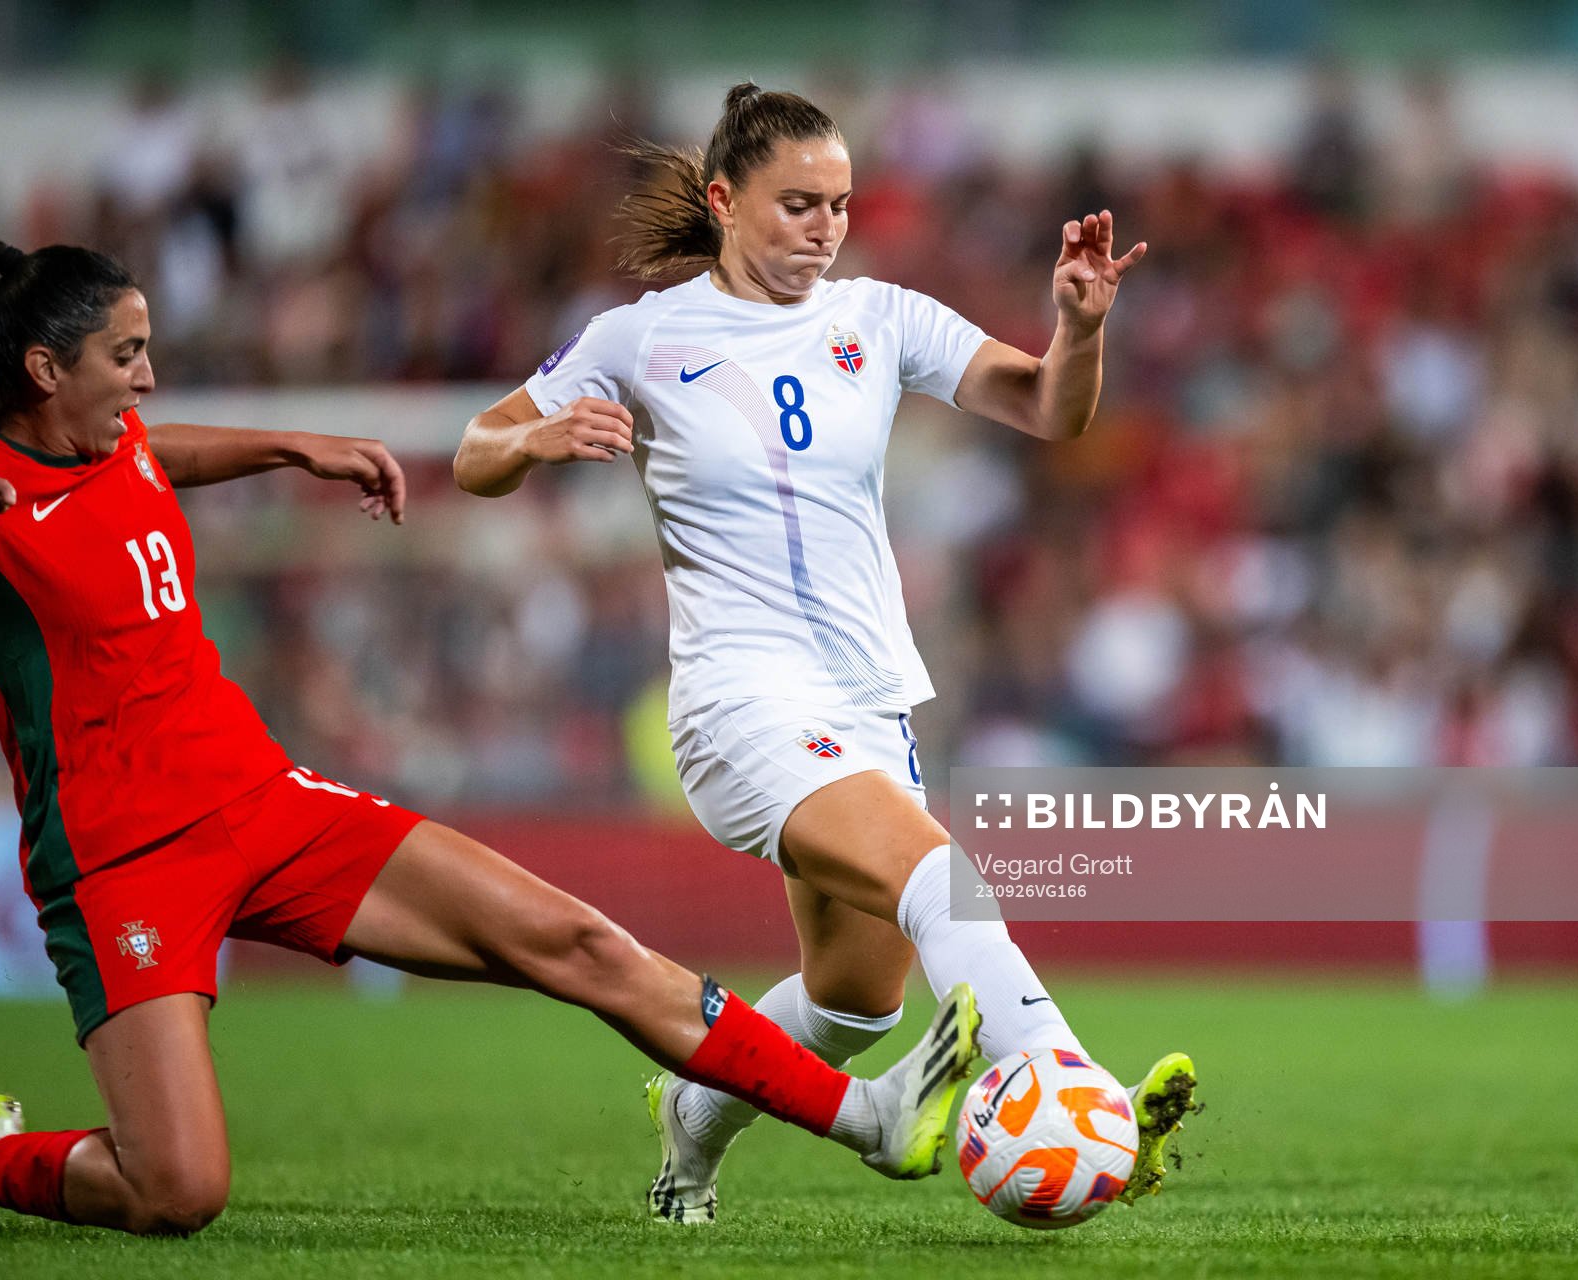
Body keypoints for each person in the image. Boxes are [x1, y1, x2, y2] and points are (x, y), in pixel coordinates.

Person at [0, 238, 980, 1236]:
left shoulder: (117, 442)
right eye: (126, 355)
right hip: (120, 860)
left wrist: (293, 446)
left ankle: (865, 1116)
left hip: (264, 802)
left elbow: (166, 452)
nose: (147, 376)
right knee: (177, 1189)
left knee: (575, 939)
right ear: (45, 369)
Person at [455, 84, 1198, 1224]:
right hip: (739, 704)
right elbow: (475, 450)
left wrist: (1081, 328)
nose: (825, 228)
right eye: (798, 204)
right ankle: (1078, 1092)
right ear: (723, 201)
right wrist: (538, 436)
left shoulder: (880, 317)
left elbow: (1054, 411)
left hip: (868, 702)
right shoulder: (641, 337)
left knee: (855, 1004)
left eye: (840, 205)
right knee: (944, 882)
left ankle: (689, 1126)